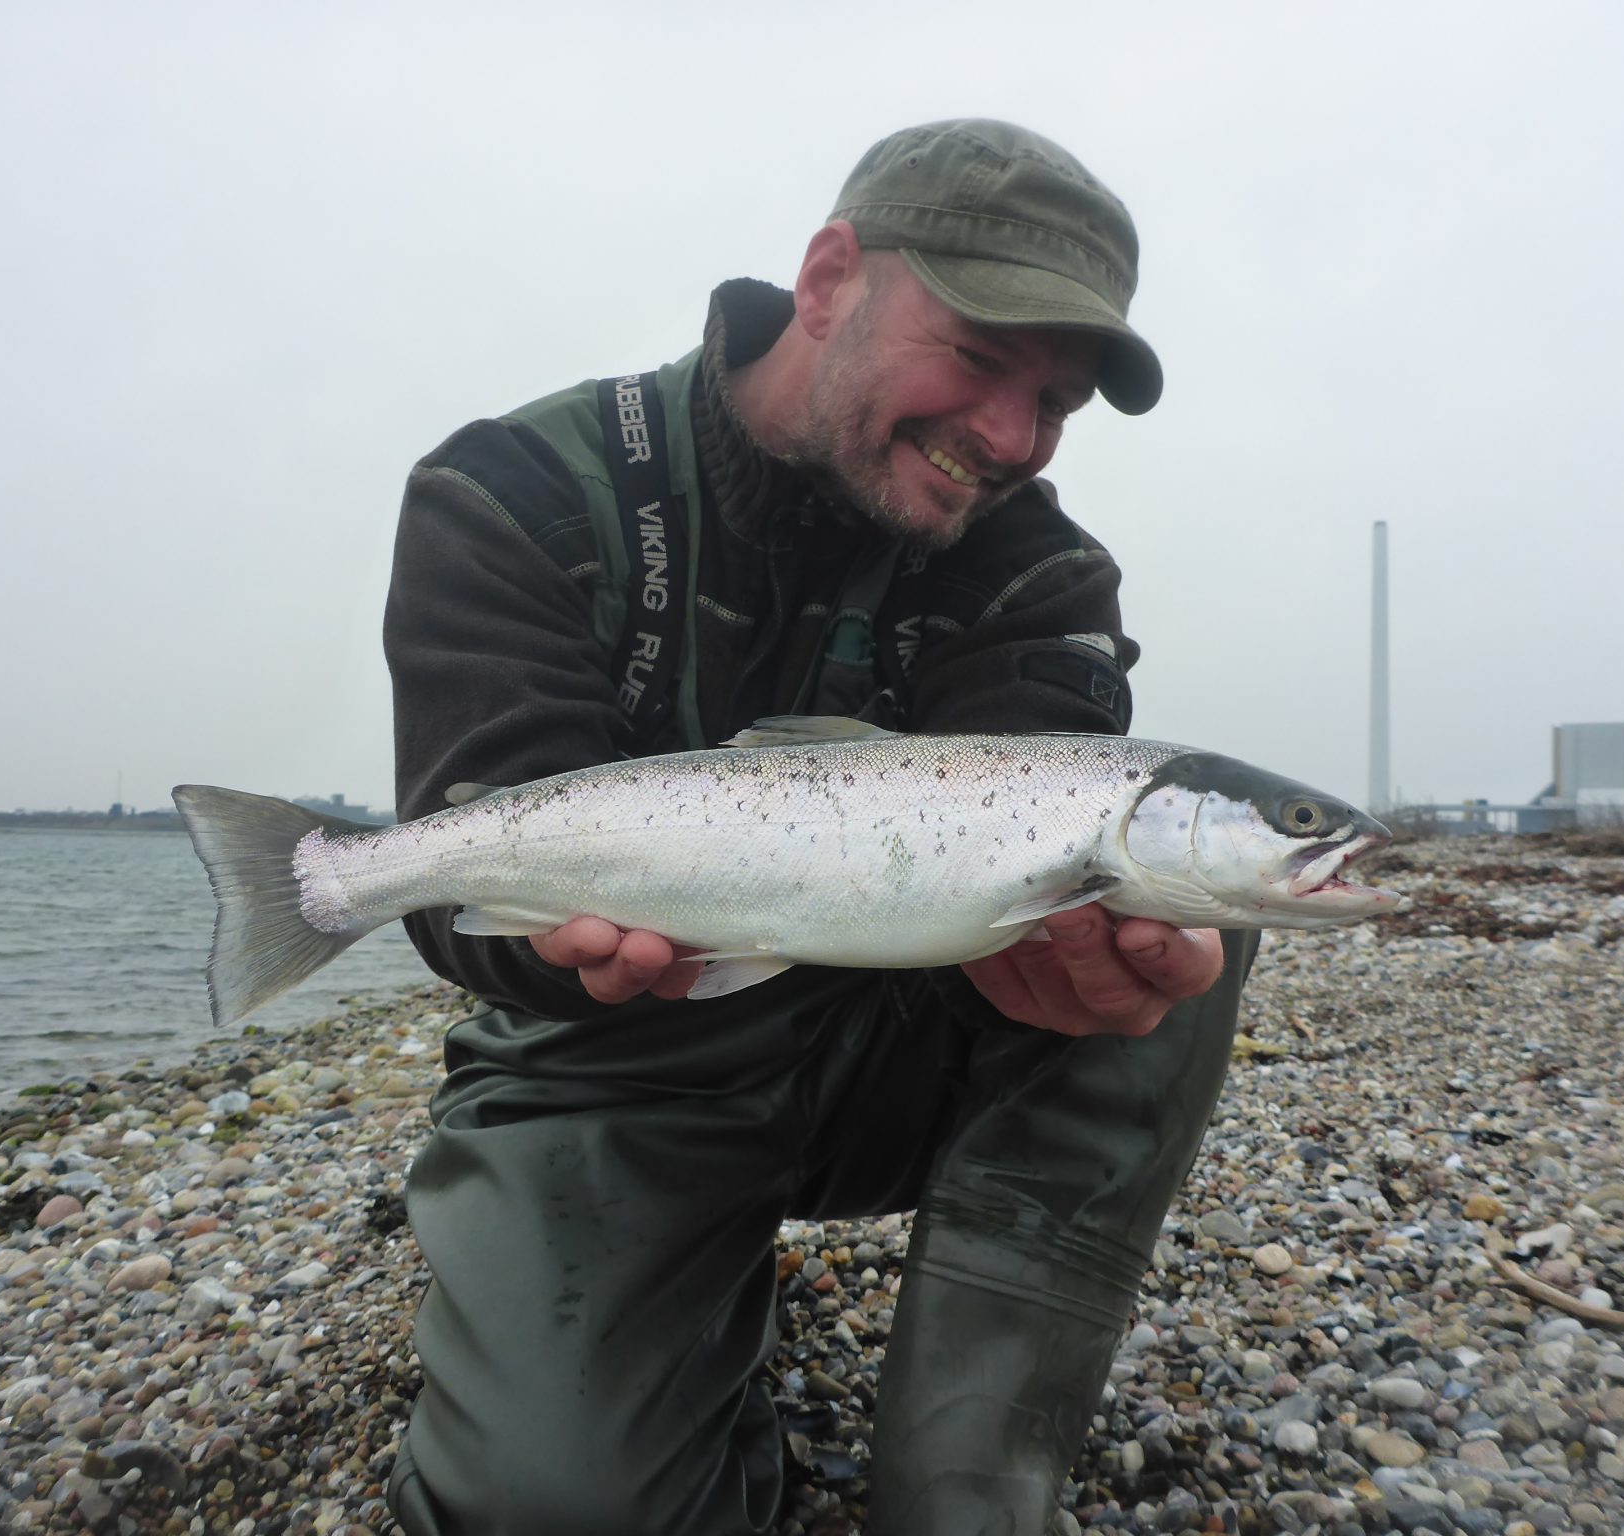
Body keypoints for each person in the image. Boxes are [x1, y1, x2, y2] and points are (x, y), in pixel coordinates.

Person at [381, 119, 1255, 1536]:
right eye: (980, 357)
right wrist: (564, 956)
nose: (1012, 438)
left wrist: (1092, 955)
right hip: (619, 1064)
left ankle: (966, 1486)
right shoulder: (518, 492)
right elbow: (457, 869)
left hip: (904, 1028)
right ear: (830, 275)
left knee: (1182, 891)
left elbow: (1041, 797)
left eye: (1057, 401)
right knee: (551, 1509)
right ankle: (652, 1342)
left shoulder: (1042, 570)